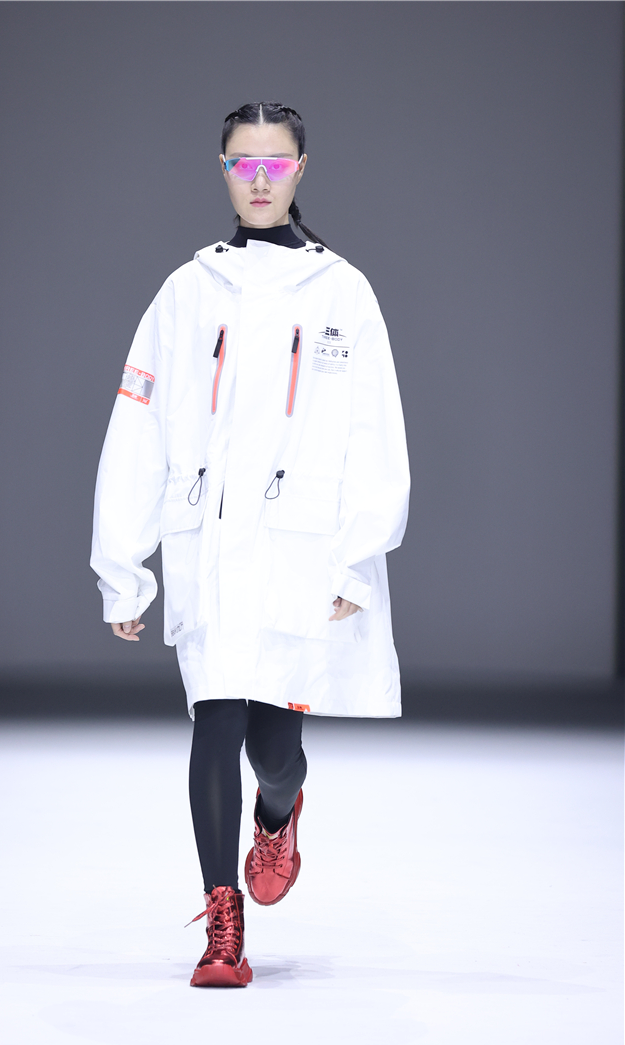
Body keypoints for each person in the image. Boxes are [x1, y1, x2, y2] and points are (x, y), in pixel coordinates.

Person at [91, 101, 410, 988]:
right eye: (244, 163)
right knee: (215, 716)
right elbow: (138, 424)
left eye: (276, 164)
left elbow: (375, 429)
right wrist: (123, 566)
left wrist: (357, 557)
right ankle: (222, 923)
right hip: (207, 541)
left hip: (299, 546)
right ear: (223, 169)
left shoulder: (341, 290)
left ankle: (279, 810)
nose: (260, 180)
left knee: (272, 746)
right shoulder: (187, 291)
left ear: (301, 169)